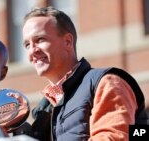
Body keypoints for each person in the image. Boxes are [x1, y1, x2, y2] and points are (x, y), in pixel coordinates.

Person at [22, 6, 148, 141]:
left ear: (68, 42)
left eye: (40, 40)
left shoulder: (106, 82)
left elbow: (115, 137)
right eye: (27, 45)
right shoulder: (43, 110)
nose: (32, 51)